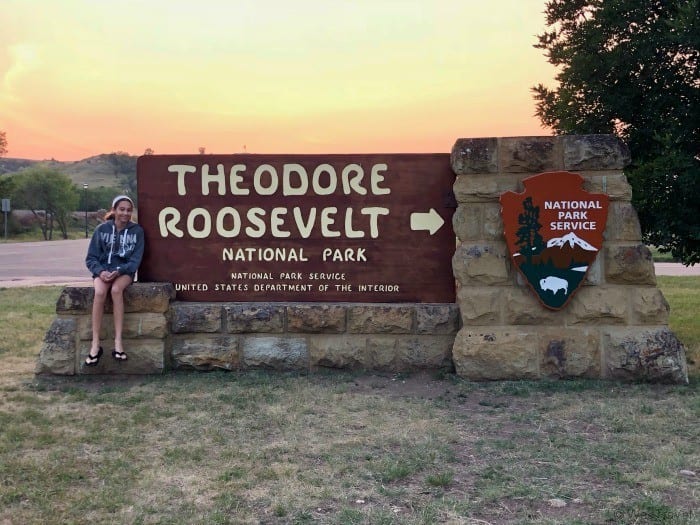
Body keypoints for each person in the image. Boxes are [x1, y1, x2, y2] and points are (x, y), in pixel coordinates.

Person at [84, 195, 145, 366]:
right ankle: (95, 344)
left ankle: (118, 342)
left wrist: (119, 271)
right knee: (100, 292)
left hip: (124, 271)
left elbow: (135, 260)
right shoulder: (101, 230)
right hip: (103, 270)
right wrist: (100, 271)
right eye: (122, 209)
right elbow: (91, 258)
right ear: (114, 210)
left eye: (128, 210)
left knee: (116, 291)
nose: (125, 213)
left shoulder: (137, 232)